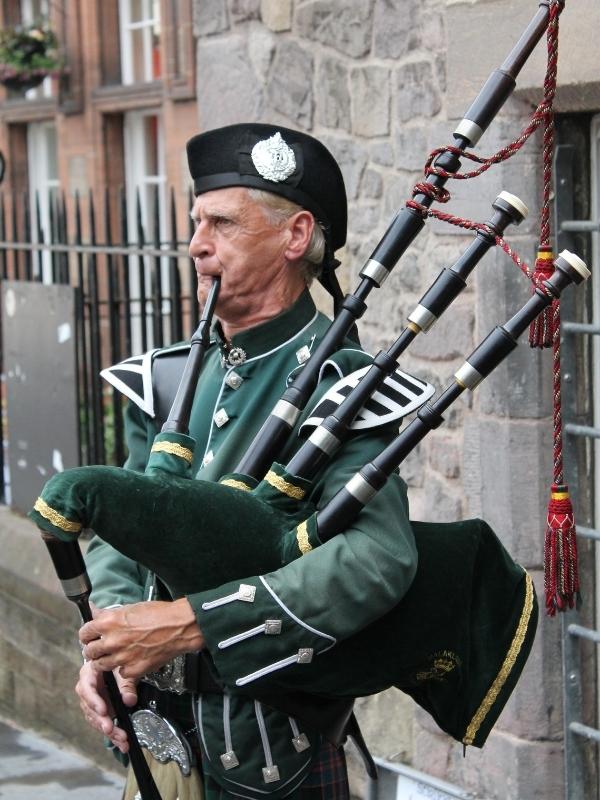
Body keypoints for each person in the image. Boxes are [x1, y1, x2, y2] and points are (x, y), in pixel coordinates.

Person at [76, 123, 417, 800]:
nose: (196, 243)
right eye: (196, 221)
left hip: (272, 750)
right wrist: (109, 643)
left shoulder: (344, 386)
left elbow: (378, 560)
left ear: (295, 237)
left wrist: (192, 623)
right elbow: (121, 525)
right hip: (158, 741)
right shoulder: (168, 377)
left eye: (223, 223)